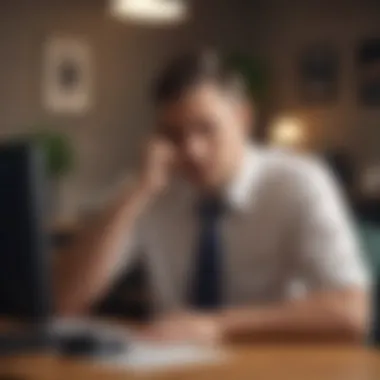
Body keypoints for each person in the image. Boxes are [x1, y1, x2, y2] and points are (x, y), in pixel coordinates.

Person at [56, 51, 370, 344]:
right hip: (176, 368)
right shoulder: (150, 185)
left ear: (243, 119)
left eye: (206, 129)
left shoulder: (299, 181)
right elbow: (65, 301)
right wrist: (136, 193)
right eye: (173, 135)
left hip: (272, 363)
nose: (192, 150)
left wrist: (217, 325)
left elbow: (351, 312)